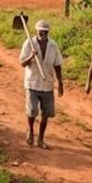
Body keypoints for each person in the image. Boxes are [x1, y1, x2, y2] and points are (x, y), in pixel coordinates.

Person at [19, 19, 63, 149]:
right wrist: (31, 57)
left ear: (47, 33)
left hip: (48, 84)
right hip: (33, 83)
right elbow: (22, 63)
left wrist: (60, 82)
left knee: (46, 114)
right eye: (40, 32)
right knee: (32, 111)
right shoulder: (29, 43)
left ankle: (41, 139)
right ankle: (30, 131)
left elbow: (57, 64)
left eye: (44, 33)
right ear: (36, 32)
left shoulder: (53, 45)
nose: (42, 35)